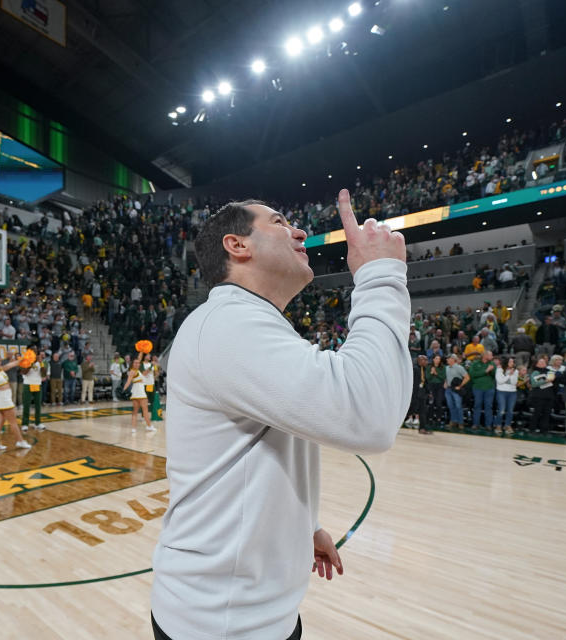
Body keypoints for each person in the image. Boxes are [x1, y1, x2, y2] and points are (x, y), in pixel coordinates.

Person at [151, 191, 410, 640]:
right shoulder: (230, 325)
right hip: (221, 624)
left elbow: (253, 453)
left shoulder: (243, 322)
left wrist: (304, 526)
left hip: (246, 612)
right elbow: (370, 414)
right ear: (238, 245)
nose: (300, 230)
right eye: (278, 221)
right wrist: (380, 275)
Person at [123, 352, 154, 432]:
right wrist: (123, 389)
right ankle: (149, 426)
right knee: (145, 410)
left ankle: (133, 428)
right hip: (140, 392)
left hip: (136, 393)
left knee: (135, 411)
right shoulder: (133, 371)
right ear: (132, 363)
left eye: (138, 363)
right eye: (135, 363)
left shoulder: (137, 370)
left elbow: (139, 358)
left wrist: (141, 351)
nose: (137, 364)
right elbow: (128, 382)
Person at [527, 355, 555, 434]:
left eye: (544, 362)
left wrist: (549, 380)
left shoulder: (549, 371)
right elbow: (534, 384)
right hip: (538, 396)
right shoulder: (535, 372)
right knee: (537, 413)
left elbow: (552, 381)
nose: (543, 363)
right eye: (541, 362)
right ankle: (532, 429)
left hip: (549, 396)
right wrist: (546, 381)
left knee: (547, 414)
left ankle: (544, 430)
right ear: (537, 364)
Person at [469, 350, 496, 430]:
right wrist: (486, 371)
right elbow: (472, 374)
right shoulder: (475, 364)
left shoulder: (492, 364)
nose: (492, 356)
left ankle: (488, 425)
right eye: (491, 355)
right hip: (478, 388)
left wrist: (490, 371)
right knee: (477, 406)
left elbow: (494, 375)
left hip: (489, 388)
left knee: (488, 407)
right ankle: (475, 424)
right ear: (485, 356)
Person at [21, 352, 46, 431]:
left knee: (38, 405)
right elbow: (24, 372)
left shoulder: (40, 363)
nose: (37, 357)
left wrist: (41, 364)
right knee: (26, 405)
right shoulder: (26, 361)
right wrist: (32, 363)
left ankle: (37, 423)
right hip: (28, 384)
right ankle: (25, 424)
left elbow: (44, 374)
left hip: (37, 384)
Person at [444, 354, 469, 430]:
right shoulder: (446, 368)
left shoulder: (459, 368)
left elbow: (467, 377)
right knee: (451, 406)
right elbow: (446, 377)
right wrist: (445, 382)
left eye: (448, 359)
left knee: (458, 406)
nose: (447, 360)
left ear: (452, 359)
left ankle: (460, 422)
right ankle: (453, 421)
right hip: (448, 389)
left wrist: (460, 386)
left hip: (456, 390)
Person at [494, 357, 518, 435]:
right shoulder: (499, 369)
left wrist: (506, 377)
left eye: (513, 362)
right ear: (506, 362)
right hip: (501, 391)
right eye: (510, 361)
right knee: (501, 410)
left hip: (512, 392)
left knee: (510, 411)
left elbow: (514, 382)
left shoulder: (516, 371)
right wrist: (509, 375)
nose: (512, 363)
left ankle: (507, 426)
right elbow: (500, 381)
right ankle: (498, 426)